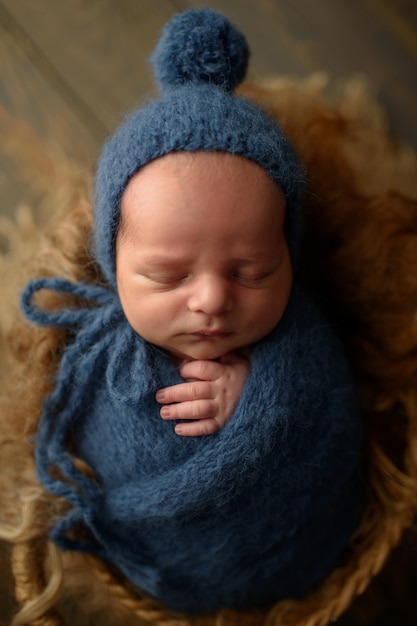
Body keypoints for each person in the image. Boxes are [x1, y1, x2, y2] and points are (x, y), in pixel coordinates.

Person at [20, 8, 363, 615]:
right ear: (112, 262)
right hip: (164, 557)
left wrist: (264, 398)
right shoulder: (96, 353)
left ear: (289, 253)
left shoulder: (301, 338)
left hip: (289, 540)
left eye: (251, 272)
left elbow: (333, 409)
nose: (211, 299)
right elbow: (73, 437)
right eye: (169, 275)